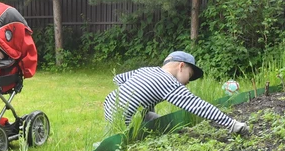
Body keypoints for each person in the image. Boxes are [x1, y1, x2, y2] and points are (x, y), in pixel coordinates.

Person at [103, 51, 250, 136]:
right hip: (125, 122)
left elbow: (119, 79)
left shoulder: (148, 70)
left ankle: (167, 127)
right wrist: (232, 124)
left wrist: (137, 100)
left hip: (109, 106)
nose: (188, 83)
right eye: (190, 75)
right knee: (149, 127)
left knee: (155, 118)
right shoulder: (168, 82)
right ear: (181, 66)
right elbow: (198, 106)